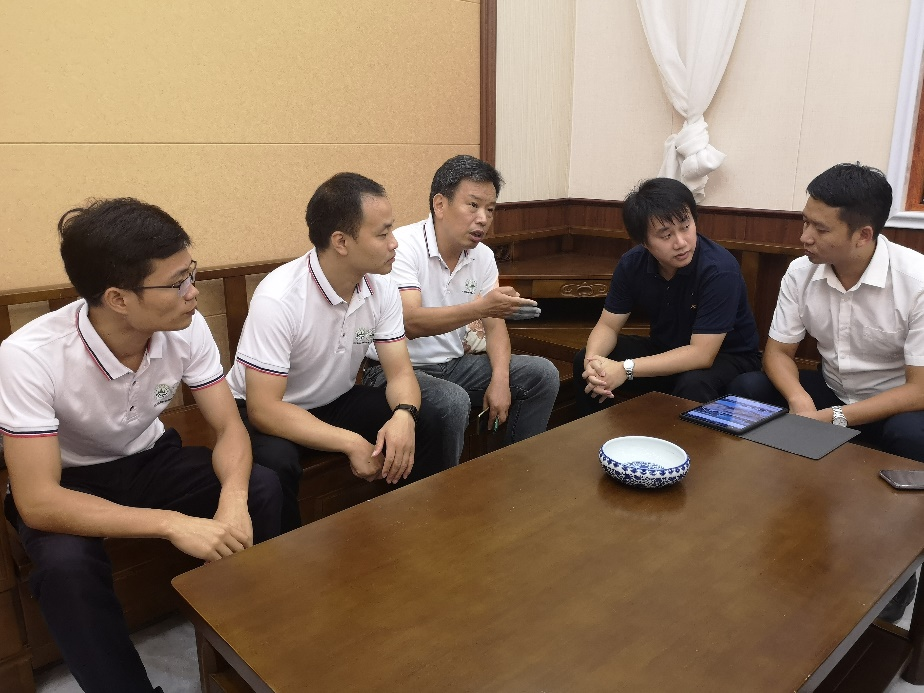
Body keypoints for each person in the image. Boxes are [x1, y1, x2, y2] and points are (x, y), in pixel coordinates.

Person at [0, 199, 282, 693]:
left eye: (191, 273)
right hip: (71, 482)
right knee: (66, 568)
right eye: (177, 283)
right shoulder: (28, 357)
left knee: (261, 487)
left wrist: (233, 500)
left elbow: (228, 427)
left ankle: (251, 646)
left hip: (151, 458)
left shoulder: (186, 326)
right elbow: (38, 500)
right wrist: (172, 524)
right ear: (118, 298)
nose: (193, 293)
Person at [728, 163, 924, 621]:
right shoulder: (801, 272)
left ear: (863, 235)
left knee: (912, 436)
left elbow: (920, 389)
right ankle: (753, 509)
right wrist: (801, 402)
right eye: (804, 222)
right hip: (832, 390)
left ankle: (896, 568)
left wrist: (832, 419)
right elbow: (777, 353)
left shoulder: (916, 281)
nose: (804, 237)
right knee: (747, 387)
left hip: (895, 405)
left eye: (820, 228)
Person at [227, 173, 445, 533]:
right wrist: (350, 443)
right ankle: (289, 561)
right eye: (382, 234)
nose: (395, 243)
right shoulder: (279, 298)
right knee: (275, 465)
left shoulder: (382, 288)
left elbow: (400, 373)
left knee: (427, 419)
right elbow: (264, 409)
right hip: (267, 409)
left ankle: (409, 530)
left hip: (332, 400)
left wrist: (404, 415)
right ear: (341, 241)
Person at [362, 155, 560, 469]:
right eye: (473, 205)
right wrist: (480, 307)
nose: (483, 218)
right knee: (452, 400)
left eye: (490, 209)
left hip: (454, 365)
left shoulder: (483, 256)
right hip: (394, 370)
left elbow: (495, 326)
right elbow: (410, 322)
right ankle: (444, 492)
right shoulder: (405, 247)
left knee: (542, 375)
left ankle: (516, 472)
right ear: (440, 205)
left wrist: (500, 379)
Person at [574, 177, 761, 415]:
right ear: (644, 242)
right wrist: (593, 362)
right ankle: (598, 433)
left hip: (728, 358)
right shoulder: (632, 264)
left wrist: (626, 369)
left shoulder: (719, 270)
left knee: (692, 384)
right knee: (586, 362)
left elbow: (702, 354)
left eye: (685, 226)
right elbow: (608, 326)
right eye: (666, 235)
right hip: (666, 349)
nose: (681, 242)